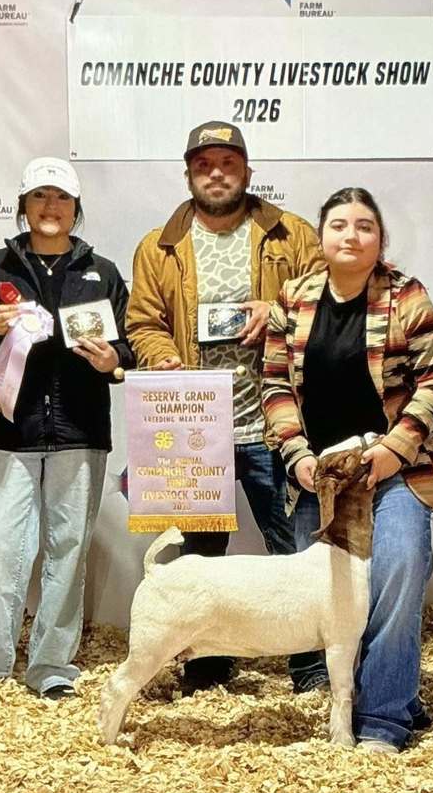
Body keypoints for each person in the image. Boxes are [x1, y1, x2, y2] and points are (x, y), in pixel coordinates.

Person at [126, 120, 324, 693]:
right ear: (189, 172)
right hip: (196, 428)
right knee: (201, 559)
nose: (216, 173)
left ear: (247, 170)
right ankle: (205, 670)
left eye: (228, 163)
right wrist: (162, 358)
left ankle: (310, 669)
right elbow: (143, 321)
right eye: (204, 164)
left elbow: (326, 305)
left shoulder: (294, 235)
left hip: (274, 423)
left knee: (293, 551)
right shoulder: (157, 246)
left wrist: (280, 311)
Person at [262, 187, 433, 751]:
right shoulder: (292, 299)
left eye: (365, 227)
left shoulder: (408, 297)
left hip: (397, 468)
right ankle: (345, 711)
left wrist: (394, 449)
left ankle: (384, 721)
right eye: (340, 226)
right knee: (330, 596)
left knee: (397, 572)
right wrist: (297, 453)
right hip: (320, 476)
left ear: (381, 240)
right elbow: (275, 383)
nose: (351, 236)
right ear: (321, 237)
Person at [0, 157, 134, 699]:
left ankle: (52, 667)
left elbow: (129, 348)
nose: (51, 208)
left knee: (68, 550)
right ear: (23, 206)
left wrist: (111, 362)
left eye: (62, 199)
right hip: (13, 433)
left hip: (82, 431)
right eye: (40, 197)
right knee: (1, 545)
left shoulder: (102, 271)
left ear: (76, 209)